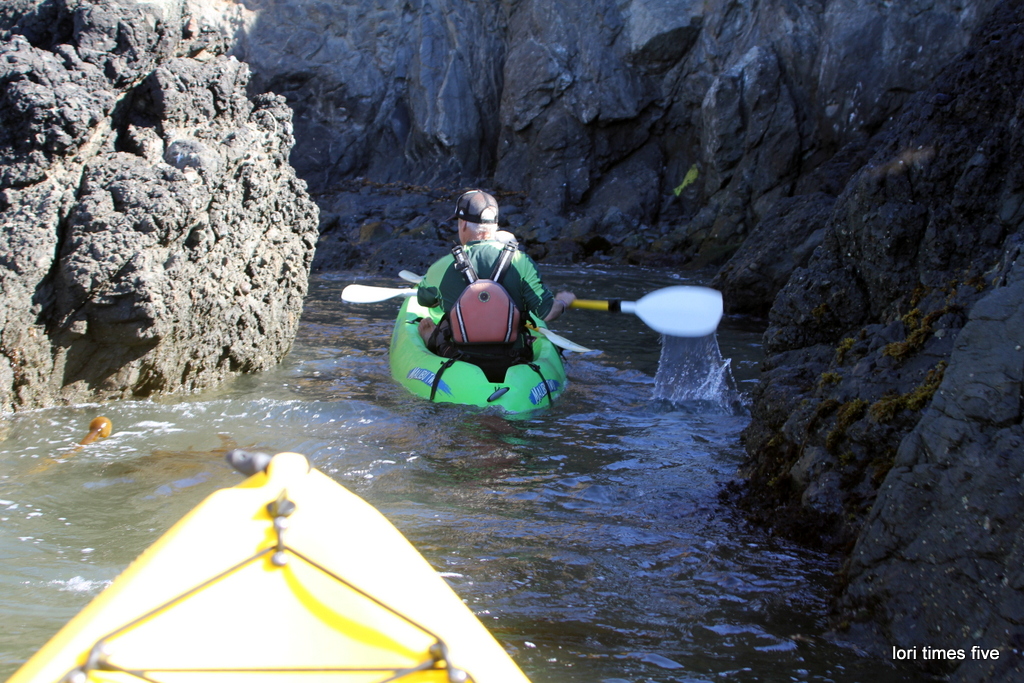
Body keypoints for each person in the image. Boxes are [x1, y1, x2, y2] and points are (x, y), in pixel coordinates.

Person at [417, 190, 575, 379]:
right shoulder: (521, 261)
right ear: (495, 226)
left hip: (457, 358)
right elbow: (548, 313)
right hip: (514, 359)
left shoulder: (442, 266)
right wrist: (563, 302)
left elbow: (424, 300)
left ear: (463, 223)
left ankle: (431, 338)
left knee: (442, 322)